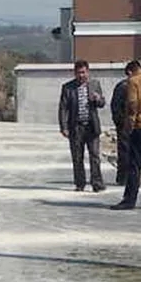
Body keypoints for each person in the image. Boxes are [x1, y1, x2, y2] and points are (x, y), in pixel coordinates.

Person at [58, 59, 106, 192]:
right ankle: (80, 183)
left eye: (83, 72)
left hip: (91, 126)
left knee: (95, 156)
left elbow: (102, 103)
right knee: (77, 157)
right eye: (78, 73)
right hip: (76, 127)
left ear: (88, 72)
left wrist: (98, 99)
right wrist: (64, 127)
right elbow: (63, 108)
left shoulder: (95, 84)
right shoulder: (67, 87)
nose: (81, 75)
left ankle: (97, 183)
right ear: (74, 73)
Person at [111, 61, 141, 210]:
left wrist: (128, 127)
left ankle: (129, 200)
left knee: (134, 165)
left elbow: (132, 105)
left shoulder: (133, 81)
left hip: (139, 128)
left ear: (130, 72)